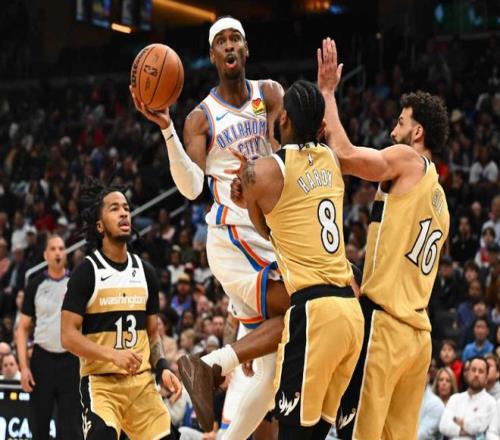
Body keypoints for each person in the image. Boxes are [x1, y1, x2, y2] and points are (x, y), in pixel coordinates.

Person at [131, 16, 290, 438]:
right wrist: (167, 128)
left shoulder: (270, 93)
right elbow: (191, 188)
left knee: (269, 374)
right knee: (303, 305)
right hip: (233, 236)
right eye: (221, 41)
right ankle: (210, 364)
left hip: (271, 233)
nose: (230, 46)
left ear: (247, 48)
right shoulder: (201, 118)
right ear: (212, 55)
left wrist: (262, 170)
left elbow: (286, 153)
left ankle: (220, 396)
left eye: (236, 38)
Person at [318, 38, 450, 439]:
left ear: (417, 132)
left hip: (386, 329)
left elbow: (344, 155)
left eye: (401, 122)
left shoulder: (408, 159)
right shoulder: (440, 199)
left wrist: (327, 93)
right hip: (418, 337)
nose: (394, 129)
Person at [234, 76, 364, 438]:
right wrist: (328, 93)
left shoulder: (259, 173)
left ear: (284, 118)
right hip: (350, 315)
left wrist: (247, 186)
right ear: (320, 127)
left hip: (314, 314)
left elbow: (266, 231)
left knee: (291, 434)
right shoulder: (332, 159)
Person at [60, 179, 182, 440]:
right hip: (101, 383)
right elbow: (68, 336)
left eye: (126, 208)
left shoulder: (146, 272)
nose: (124, 213)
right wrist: (112, 355)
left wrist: (162, 367)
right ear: (100, 225)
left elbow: (153, 333)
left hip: (141, 385)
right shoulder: (87, 272)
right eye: (114, 208)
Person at [16, 235, 82, 440]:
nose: (57, 252)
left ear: (66, 253)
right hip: (42, 360)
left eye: (61, 248)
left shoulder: (77, 283)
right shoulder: (35, 284)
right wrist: (24, 368)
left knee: (71, 429)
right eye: (53, 249)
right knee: (39, 426)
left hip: (71, 361)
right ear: (45, 255)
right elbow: (22, 329)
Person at [439, 357, 496, 438]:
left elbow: (480, 429)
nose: (476, 374)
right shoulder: (455, 399)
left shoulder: (491, 403)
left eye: (481, 371)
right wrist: (463, 431)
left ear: (486, 378)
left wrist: (460, 422)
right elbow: (443, 426)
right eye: (473, 370)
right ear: (467, 374)